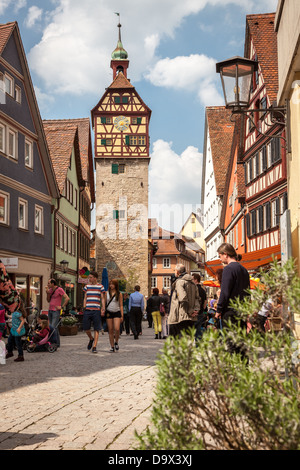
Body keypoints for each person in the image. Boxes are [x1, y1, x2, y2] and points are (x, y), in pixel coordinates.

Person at [215, 243, 250, 360]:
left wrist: (218, 310)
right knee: (242, 344)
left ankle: (234, 372)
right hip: (242, 311)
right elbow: (248, 292)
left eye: (220, 256)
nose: (220, 259)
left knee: (231, 344)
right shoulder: (244, 270)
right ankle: (244, 371)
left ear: (225, 254)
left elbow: (224, 293)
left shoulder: (228, 269)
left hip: (230, 312)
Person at [168, 264, 200, 338]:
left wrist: (190, 311)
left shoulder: (180, 282)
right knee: (188, 338)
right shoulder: (193, 283)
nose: (174, 272)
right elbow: (197, 298)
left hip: (180, 315)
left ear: (178, 272)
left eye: (175, 270)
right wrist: (196, 310)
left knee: (179, 339)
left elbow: (182, 298)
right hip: (191, 316)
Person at [83, 271, 106, 353]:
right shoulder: (87, 286)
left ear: (95, 278)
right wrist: (84, 306)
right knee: (86, 328)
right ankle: (91, 338)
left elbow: (102, 298)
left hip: (96, 310)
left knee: (97, 328)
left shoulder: (100, 286)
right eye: (89, 277)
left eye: (90, 277)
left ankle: (95, 346)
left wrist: (103, 308)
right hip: (88, 309)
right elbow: (85, 297)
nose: (89, 279)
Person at [46, 279, 69, 347]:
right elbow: (48, 300)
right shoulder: (50, 290)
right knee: (52, 327)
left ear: (53, 284)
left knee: (53, 327)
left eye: (49, 283)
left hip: (56, 310)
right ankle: (57, 343)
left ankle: (53, 342)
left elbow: (67, 298)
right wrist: (47, 293)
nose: (48, 285)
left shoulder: (59, 289)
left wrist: (61, 307)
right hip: (50, 310)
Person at [105, 279, 123, 352]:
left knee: (117, 328)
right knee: (110, 330)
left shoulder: (119, 294)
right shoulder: (107, 293)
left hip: (117, 311)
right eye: (110, 284)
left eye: (112, 284)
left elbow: (121, 305)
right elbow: (104, 303)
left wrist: (122, 315)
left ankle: (116, 342)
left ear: (116, 285)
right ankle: (112, 346)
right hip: (109, 312)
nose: (111, 285)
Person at [192, 273, 207, 340]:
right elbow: (205, 302)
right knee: (198, 331)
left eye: (192, 279)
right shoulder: (203, 290)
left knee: (191, 331)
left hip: (194, 313)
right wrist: (202, 309)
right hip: (200, 313)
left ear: (195, 280)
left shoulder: (193, 289)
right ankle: (198, 346)